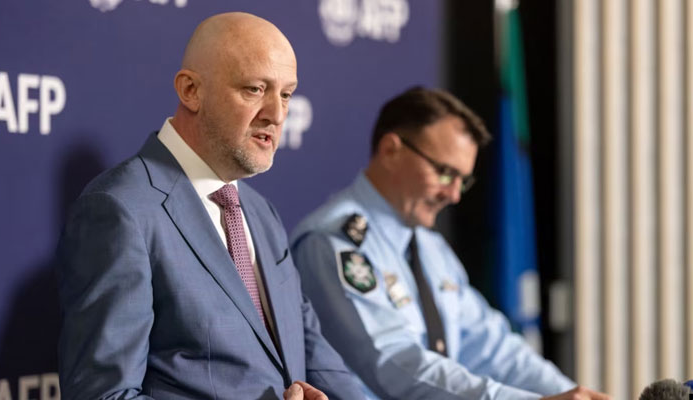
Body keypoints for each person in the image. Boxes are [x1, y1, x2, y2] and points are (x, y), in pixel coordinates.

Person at [55, 12, 364, 400]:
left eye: (286, 94)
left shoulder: (260, 212)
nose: (278, 113)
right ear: (190, 91)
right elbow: (102, 395)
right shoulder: (121, 210)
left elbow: (307, 347)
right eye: (254, 89)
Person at [289, 87, 611, 400]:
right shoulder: (334, 242)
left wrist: (571, 393)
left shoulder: (431, 249)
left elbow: (493, 346)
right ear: (391, 150)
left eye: (463, 180)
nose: (454, 194)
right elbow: (393, 361)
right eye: (444, 173)